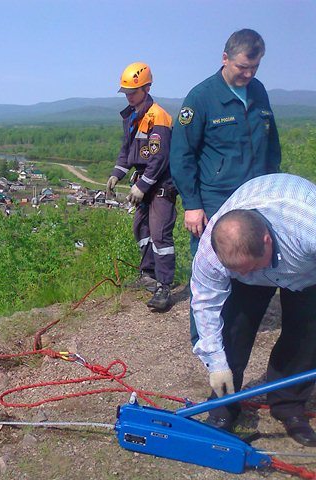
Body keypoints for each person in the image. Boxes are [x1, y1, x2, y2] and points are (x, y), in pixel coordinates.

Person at [170, 28, 281, 340]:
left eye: (254, 67)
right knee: (210, 270)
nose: (247, 74)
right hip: (215, 202)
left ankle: (237, 331)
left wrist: (272, 183)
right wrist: (191, 204)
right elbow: (181, 155)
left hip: (256, 198)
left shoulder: (258, 91)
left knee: (249, 265)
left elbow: (272, 143)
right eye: (242, 67)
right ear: (225, 58)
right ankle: (204, 340)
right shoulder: (201, 97)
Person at [191, 173, 316, 446]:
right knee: (234, 327)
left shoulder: (309, 223)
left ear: (266, 241)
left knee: (306, 334)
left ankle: (290, 406)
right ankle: (224, 404)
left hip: (307, 269)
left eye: (251, 266)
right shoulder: (212, 253)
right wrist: (217, 364)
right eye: (238, 270)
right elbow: (205, 304)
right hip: (261, 258)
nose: (246, 273)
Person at [106, 62, 177, 312]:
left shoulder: (158, 116)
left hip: (160, 183)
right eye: (126, 92)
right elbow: (127, 151)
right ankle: (148, 274)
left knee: (159, 234)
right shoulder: (132, 116)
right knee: (141, 228)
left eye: (132, 92)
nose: (128, 96)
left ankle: (164, 286)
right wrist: (117, 175)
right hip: (143, 182)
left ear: (146, 88)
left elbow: (160, 157)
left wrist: (143, 186)